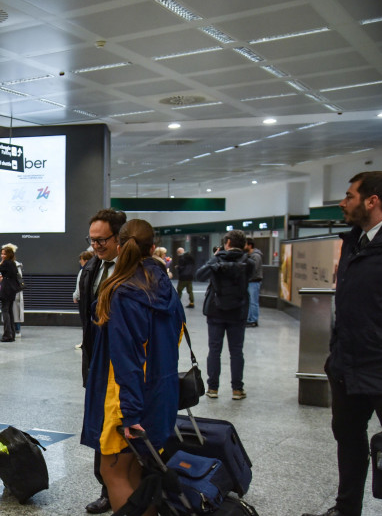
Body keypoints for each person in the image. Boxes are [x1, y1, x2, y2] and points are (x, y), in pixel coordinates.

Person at [302, 171, 382, 516]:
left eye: (349, 196)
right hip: (348, 364)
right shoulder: (353, 240)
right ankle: (346, 509)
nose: (343, 203)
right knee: (347, 439)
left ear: (372, 200)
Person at [81, 219, 183, 516]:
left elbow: (127, 359)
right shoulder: (165, 287)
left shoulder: (122, 292)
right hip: (160, 391)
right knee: (137, 470)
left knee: (114, 472)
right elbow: (175, 338)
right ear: (153, 248)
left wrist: (130, 413)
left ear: (121, 245)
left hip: (126, 396)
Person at [79, 207, 127, 514]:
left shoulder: (135, 270)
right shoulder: (93, 267)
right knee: (100, 426)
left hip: (123, 364)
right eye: (92, 240)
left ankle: (122, 488)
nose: (95, 246)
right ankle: (108, 488)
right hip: (96, 359)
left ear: (120, 237)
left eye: (102, 240)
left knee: (119, 428)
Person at [195, 230, 254, 400]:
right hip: (238, 311)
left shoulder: (217, 259)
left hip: (215, 311)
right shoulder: (247, 262)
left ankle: (213, 388)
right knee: (236, 351)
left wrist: (216, 256)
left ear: (227, 242)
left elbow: (200, 275)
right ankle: (237, 389)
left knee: (214, 350)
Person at [0, 244, 23, 342]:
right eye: (1, 254)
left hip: (6, 289)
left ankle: (7, 335)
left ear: (8, 255)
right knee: (10, 311)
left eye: (4, 254)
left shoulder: (6, 263)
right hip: (12, 290)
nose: (2, 256)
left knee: (5, 311)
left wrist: (1, 262)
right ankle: (12, 334)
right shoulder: (13, 263)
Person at [244, 237, 263, 328]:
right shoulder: (249, 255)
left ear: (250, 245)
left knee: (253, 302)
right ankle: (250, 319)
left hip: (254, 281)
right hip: (250, 281)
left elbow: (253, 269)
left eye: (245, 244)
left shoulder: (255, 256)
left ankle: (253, 320)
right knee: (250, 301)